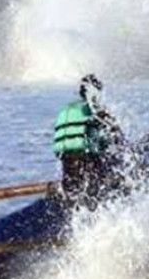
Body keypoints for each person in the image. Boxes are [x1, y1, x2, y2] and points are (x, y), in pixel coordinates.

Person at [52, 74, 127, 208]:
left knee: (73, 194)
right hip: (86, 159)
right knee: (95, 192)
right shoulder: (96, 110)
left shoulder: (66, 109)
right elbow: (113, 140)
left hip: (66, 161)